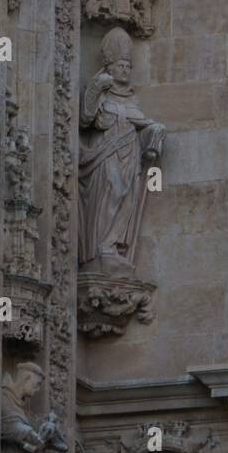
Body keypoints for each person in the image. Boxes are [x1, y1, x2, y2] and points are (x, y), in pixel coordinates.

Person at [78, 26, 165, 273]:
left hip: (131, 158)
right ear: (109, 67)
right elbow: (86, 119)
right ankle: (101, 248)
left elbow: (142, 125)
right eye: (120, 66)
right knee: (112, 192)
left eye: (128, 66)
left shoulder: (131, 99)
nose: (125, 70)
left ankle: (113, 246)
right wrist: (95, 90)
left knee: (127, 200)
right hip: (105, 158)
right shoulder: (100, 93)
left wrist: (155, 132)